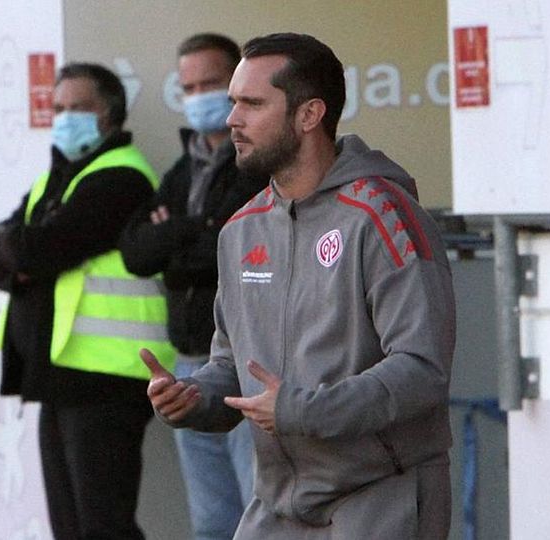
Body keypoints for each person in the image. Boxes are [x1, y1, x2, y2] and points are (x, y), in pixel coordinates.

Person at [140, 33, 456, 539]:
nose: (231, 120)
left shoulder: (384, 216)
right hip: (277, 505)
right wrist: (194, 396)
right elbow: (232, 365)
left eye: (252, 104)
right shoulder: (242, 230)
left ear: (309, 115)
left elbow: (422, 369)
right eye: (232, 103)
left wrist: (300, 410)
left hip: (379, 497)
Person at [0, 62, 176, 540]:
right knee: (70, 527)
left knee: (102, 525)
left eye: (79, 108)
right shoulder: (60, 177)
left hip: (104, 378)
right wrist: (22, 251)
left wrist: (24, 252)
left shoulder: (120, 177)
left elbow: (40, 248)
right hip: (58, 374)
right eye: (59, 107)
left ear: (108, 114)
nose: (65, 117)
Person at [119, 33, 268, 540]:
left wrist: (178, 237)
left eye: (212, 83)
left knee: (261, 513)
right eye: (189, 86)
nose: (200, 95)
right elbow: (137, 252)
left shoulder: (259, 167)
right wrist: (194, 228)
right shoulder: (182, 170)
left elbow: (232, 251)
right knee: (210, 523)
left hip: (248, 364)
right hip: (187, 360)